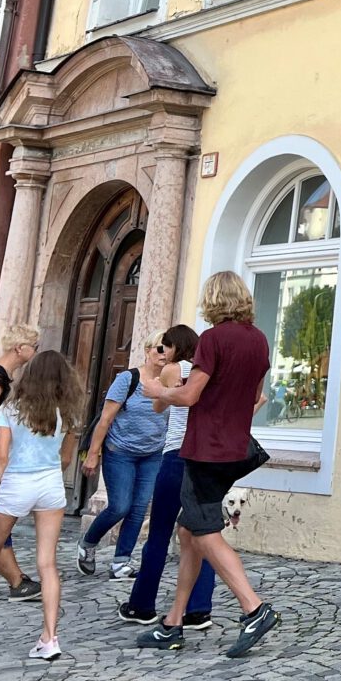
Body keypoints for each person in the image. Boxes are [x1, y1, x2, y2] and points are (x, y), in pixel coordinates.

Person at [136, 272, 279, 658]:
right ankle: (173, 623)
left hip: (206, 450)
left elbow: (189, 396)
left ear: (213, 300)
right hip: (235, 447)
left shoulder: (213, 339)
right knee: (188, 532)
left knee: (204, 534)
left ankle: (255, 609)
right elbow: (254, 397)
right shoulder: (259, 339)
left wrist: (158, 390)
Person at [0, 349, 83, 659]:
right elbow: (65, 458)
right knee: (48, 564)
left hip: (16, 486)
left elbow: (0, 458)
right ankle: (50, 639)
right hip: (50, 486)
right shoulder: (68, 411)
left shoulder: (11, 408)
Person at [117, 325, 217, 629]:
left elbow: (158, 406)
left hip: (176, 455)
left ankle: (142, 604)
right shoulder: (206, 372)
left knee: (159, 533)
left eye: (165, 347)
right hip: (204, 458)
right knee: (203, 533)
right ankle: (199, 609)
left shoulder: (174, 369)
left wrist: (159, 384)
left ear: (175, 347)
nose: (164, 352)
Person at [77, 345, 170, 580]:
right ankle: (88, 542)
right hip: (120, 452)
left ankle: (121, 562)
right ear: (147, 350)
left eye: (168, 349)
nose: (164, 353)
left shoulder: (171, 383)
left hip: (152, 454)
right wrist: (93, 453)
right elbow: (106, 419)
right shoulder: (128, 379)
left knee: (139, 509)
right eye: (159, 348)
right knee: (120, 506)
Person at [0, 322, 43, 604]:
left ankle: (18, 581)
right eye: (34, 346)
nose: (36, 351)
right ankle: (17, 582)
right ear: (19, 348)